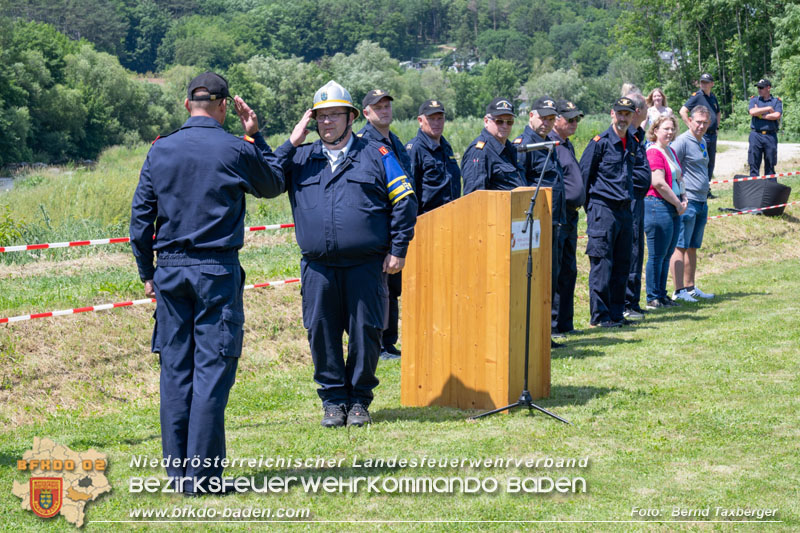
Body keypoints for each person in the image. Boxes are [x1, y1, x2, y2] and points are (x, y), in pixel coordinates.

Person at [129, 71, 284, 495]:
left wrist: (147, 273)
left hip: (171, 271)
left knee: (176, 372)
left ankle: (178, 475)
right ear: (224, 106)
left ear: (186, 105)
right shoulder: (235, 148)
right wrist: (254, 136)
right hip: (215, 270)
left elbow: (141, 220)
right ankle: (203, 479)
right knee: (212, 372)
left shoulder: (159, 150)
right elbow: (273, 184)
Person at [274, 81, 417, 428]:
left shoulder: (377, 155)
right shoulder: (301, 158)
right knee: (321, 333)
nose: (327, 123)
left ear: (351, 117)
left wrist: (398, 249)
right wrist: (290, 143)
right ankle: (333, 401)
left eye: (335, 115)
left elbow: (405, 200)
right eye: (320, 117)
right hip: (318, 269)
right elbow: (265, 179)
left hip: (366, 266)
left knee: (367, 334)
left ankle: (359, 402)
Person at [357, 89, 414, 360]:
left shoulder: (394, 141)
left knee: (392, 289)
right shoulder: (363, 143)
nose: (384, 110)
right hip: (378, 228)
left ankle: (389, 342)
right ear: (366, 113)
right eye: (377, 107)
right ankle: (377, 345)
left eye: (387, 105)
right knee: (377, 291)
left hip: (396, 228)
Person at [579, 97, 638, 328]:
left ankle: (615, 314)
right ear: (612, 114)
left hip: (624, 210)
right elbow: (584, 176)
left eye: (627, 114)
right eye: (620, 113)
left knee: (623, 264)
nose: (623, 118)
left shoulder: (632, 142)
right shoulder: (600, 143)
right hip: (603, 209)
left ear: (632, 116)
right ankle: (600, 316)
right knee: (602, 264)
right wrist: (592, 209)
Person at [514, 96, 566, 346]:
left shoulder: (547, 143)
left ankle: (547, 330)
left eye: (551, 118)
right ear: (531, 116)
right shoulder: (524, 145)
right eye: (543, 117)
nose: (547, 122)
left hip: (553, 220)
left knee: (551, 277)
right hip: (534, 223)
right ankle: (535, 334)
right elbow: (522, 186)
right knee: (536, 278)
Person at [669, 105, 715, 302]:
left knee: (693, 246)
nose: (701, 126)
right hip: (688, 202)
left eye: (705, 123)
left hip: (702, 201)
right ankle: (678, 291)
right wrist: (679, 197)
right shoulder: (682, 142)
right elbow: (670, 168)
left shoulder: (702, 141)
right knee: (680, 246)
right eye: (698, 122)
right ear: (690, 120)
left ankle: (690, 287)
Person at [548, 100, 585, 335]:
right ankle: (552, 325)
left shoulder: (567, 144)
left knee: (570, 270)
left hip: (571, 216)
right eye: (569, 119)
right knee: (556, 271)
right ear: (556, 120)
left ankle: (565, 323)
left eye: (576, 120)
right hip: (557, 216)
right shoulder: (549, 144)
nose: (573, 123)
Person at [643, 115, 686, 309]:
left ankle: (662, 294)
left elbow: (678, 177)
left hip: (672, 207)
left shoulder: (670, 151)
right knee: (656, 254)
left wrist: (684, 198)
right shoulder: (654, 152)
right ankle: (653, 297)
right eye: (665, 129)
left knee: (667, 253)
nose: (669, 132)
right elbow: (658, 182)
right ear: (655, 130)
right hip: (657, 206)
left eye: (672, 129)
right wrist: (678, 203)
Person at [406, 99, 461, 213]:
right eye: (431, 119)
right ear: (420, 120)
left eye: (440, 118)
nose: (436, 123)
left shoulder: (446, 147)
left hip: (452, 217)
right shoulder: (415, 149)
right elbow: (409, 193)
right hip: (427, 220)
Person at [624, 92, 652, 320]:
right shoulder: (626, 136)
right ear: (639, 112)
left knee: (638, 249)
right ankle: (626, 302)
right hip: (629, 200)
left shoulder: (637, 135)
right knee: (630, 249)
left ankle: (633, 301)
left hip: (639, 200)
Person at [462, 98, 526, 194]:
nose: (505, 126)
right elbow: (474, 197)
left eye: (509, 122)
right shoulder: (480, 152)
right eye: (499, 121)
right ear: (486, 121)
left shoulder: (509, 149)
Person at [679, 73, 721, 196]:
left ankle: (706, 189)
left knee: (710, 162)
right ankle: (700, 189)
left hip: (712, 135)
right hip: (702, 135)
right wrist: (691, 126)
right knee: (700, 162)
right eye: (702, 82)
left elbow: (718, 113)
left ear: (712, 84)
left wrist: (717, 126)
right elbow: (683, 111)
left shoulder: (713, 97)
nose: (704, 84)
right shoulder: (697, 96)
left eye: (707, 82)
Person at [748, 78, 783, 177]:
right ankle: (754, 190)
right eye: (758, 87)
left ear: (768, 88)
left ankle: (770, 191)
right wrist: (768, 109)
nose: (759, 89)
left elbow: (776, 115)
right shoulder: (754, 99)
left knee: (770, 165)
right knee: (754, 164)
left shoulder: (776, 101)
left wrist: (761, 115)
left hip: (770, 136)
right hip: (756, 135)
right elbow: (752, 112)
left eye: (761, 87)